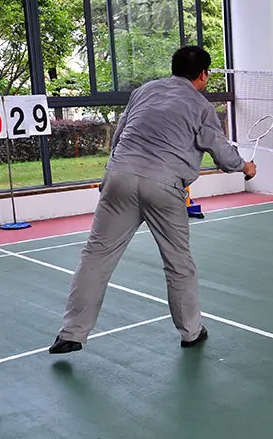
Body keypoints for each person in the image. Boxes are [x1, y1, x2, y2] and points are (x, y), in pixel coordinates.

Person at [48, 46, 257, 355]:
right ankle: (191, 332)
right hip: (164, 185)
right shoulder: (201, 106)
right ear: (203, 75)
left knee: (95, 256)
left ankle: (71, 333)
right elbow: (222, 153)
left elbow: (120, 135)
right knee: (178, 263)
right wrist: (245, 167)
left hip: (119, 176)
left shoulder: (144, 92)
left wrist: (115, 170)